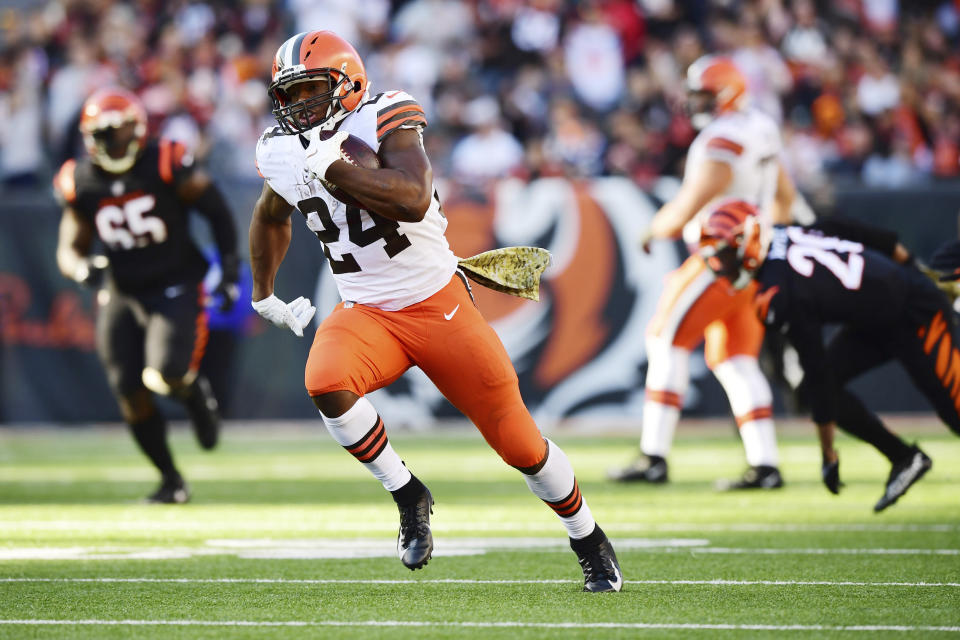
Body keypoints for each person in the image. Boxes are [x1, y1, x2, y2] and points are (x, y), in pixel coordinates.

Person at [249, 30, 622, 591]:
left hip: (436, 304)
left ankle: (588, 537)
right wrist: (263, 292)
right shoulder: (279, 148)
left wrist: (338, 171)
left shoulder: (383, 115)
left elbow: (412, 196)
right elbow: (272, 214)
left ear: (347, 84)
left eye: (310, 89)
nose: (297, 104)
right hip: (367, 311)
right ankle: (407, 492)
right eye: (289, 93)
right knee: (326, 381)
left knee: (521, 446)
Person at [696, 200, 956, 511]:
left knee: (954, 412)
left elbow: (816, 367)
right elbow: (862, 232)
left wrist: (828, 453)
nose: (722, 266)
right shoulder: (789, 232)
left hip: (916, 315)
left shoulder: (777, 294)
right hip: (879, 319)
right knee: (814, 389)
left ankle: (903, 456)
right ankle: (904, 457)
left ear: (747, 241)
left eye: (725, 255)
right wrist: (912, 265)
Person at [610, 56, 796, 489]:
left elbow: (689, 205)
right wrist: (767, 241)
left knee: (664, 339)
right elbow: (785, 196)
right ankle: (765, 464)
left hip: (720, 256)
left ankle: (653, 455)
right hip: (752, 261)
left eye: (704, 94)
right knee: (735, 359)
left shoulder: (724, 136)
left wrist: (653, 229)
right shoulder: (760, 127)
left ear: (725, 94)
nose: (695, 103)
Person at [54, 88, 240, 504]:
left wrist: (228, 269)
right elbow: (69, 247)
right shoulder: (80, 179)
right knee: (128, 390)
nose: (109, 142)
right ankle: (170, 479)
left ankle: (194, 394)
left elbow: (215, 208)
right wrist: (82, 268)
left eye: (115, 132)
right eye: (100, 134)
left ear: (137, 130)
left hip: (175, 281)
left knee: (166, 372)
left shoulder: (164, 160)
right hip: (122, 290)